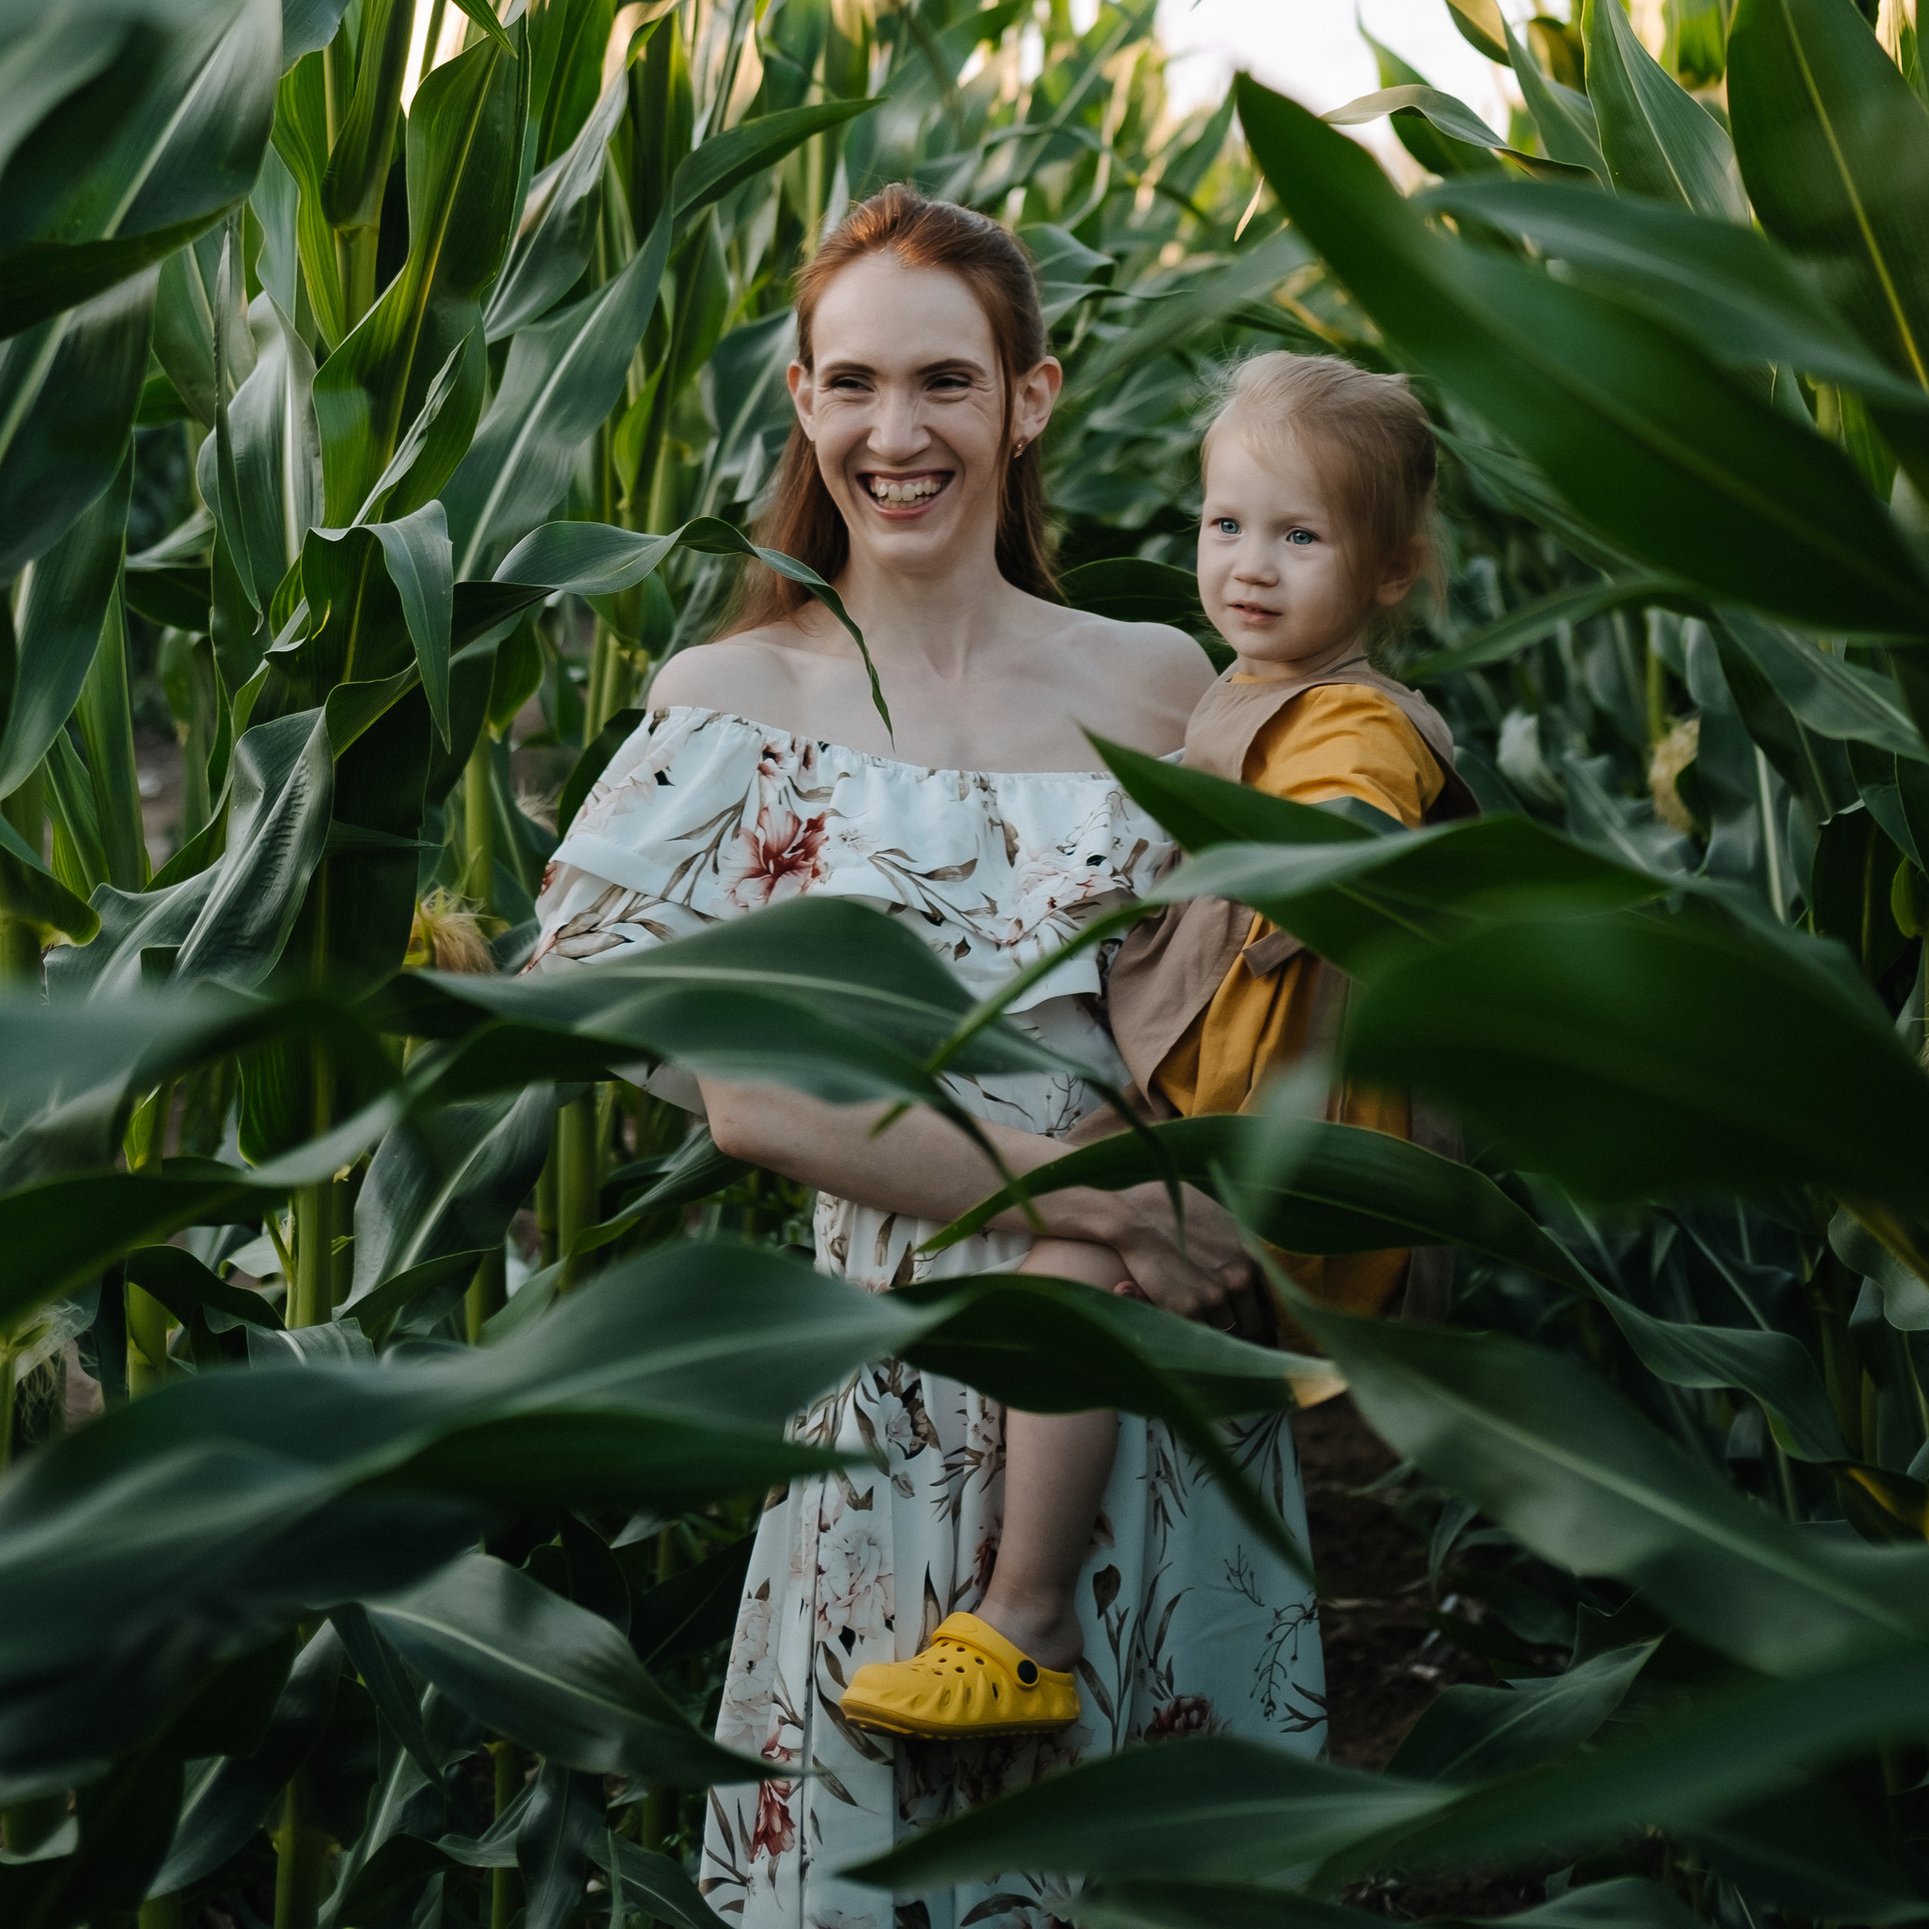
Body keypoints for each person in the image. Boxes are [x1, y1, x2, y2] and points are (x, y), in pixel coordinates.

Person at [523, 190, 1327, 1929]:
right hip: (900, 1387)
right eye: (858, 384)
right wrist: (1092, 1203)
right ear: (804, 404)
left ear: (1029, 401)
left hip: (1154, 1376)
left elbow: (1249, 995)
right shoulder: (733, 708)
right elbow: (758, 1106)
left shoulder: (1160, 684)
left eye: (947, 382)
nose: (899, 434)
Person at [837, 349, 1472, 1745]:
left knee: (1071, 1261)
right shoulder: (1243, 692)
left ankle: (1028, 1621)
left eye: (1301, 537)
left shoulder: (1351, 724)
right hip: (1225, 1120)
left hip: (1289, 1168)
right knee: (1072, 1189)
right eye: (1226, 523)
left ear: (1391, 572)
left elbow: (1351, 822)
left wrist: (1321, 859)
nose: (1249, 564)